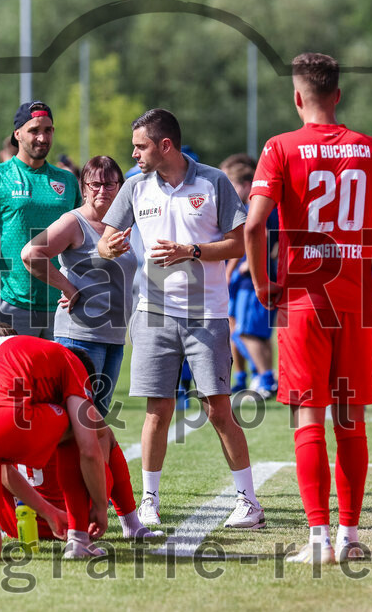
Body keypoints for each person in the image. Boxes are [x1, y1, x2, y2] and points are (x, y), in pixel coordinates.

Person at [244, 53, 372, 564]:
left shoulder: (280, 147)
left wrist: (265, 285)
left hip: (303, 302)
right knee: (351, 423)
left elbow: (252, 226)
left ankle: (317, 543)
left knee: (309, 420)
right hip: (356, 302)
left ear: (296, 97)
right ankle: (350, 537)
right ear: (338, 95)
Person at [99, 108, 265, 530]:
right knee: (158, 410)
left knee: (218, 410)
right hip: (152, 314)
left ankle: (249, 502)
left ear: (165, 145)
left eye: (140, 146)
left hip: (206, 315)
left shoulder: (214, 182)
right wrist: (109, 249)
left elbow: (237, 245)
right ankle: (149, 500)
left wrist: (189, 251)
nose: (133, 154)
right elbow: (104, 240)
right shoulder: (135, 188)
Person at [21, 155, 158, 539]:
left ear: (121, 187)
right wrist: (68, 287)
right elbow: (31, 254)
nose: (102, 191)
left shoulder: (124, 223)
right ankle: (86, 519)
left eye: (110, 184)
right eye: (95, 184)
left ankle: (110, 518)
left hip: (114, 338)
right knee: (83, 434)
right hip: (78, 337)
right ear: (83, 188)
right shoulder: (74, 222)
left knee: (98, 431)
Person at [0, 330, 110, 565]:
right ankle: (79, 539)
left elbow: (5, 468)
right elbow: (88, 447)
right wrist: (99, 505)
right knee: (74, 429)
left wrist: (47, 511)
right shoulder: (71, 361)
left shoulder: (7, 355)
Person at [0, 101, 80, 337]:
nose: (42, 137)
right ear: (17, 134)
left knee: (55, 375)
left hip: (61, 304)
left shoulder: (68, 181)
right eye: (34, 130)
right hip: (12, 303)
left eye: (48, 130)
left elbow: (81, 238)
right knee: (15, 375)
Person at [220, 153, 276, 398]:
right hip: (246, 281)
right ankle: (252, 377)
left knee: (246, 331)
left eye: (231, 185)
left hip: (253, 281)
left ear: (244, 184)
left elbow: (268, 240)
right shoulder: (247, 207)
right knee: (245, 330)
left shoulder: (258, 206)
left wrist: (244, 266)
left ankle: (266, 378)